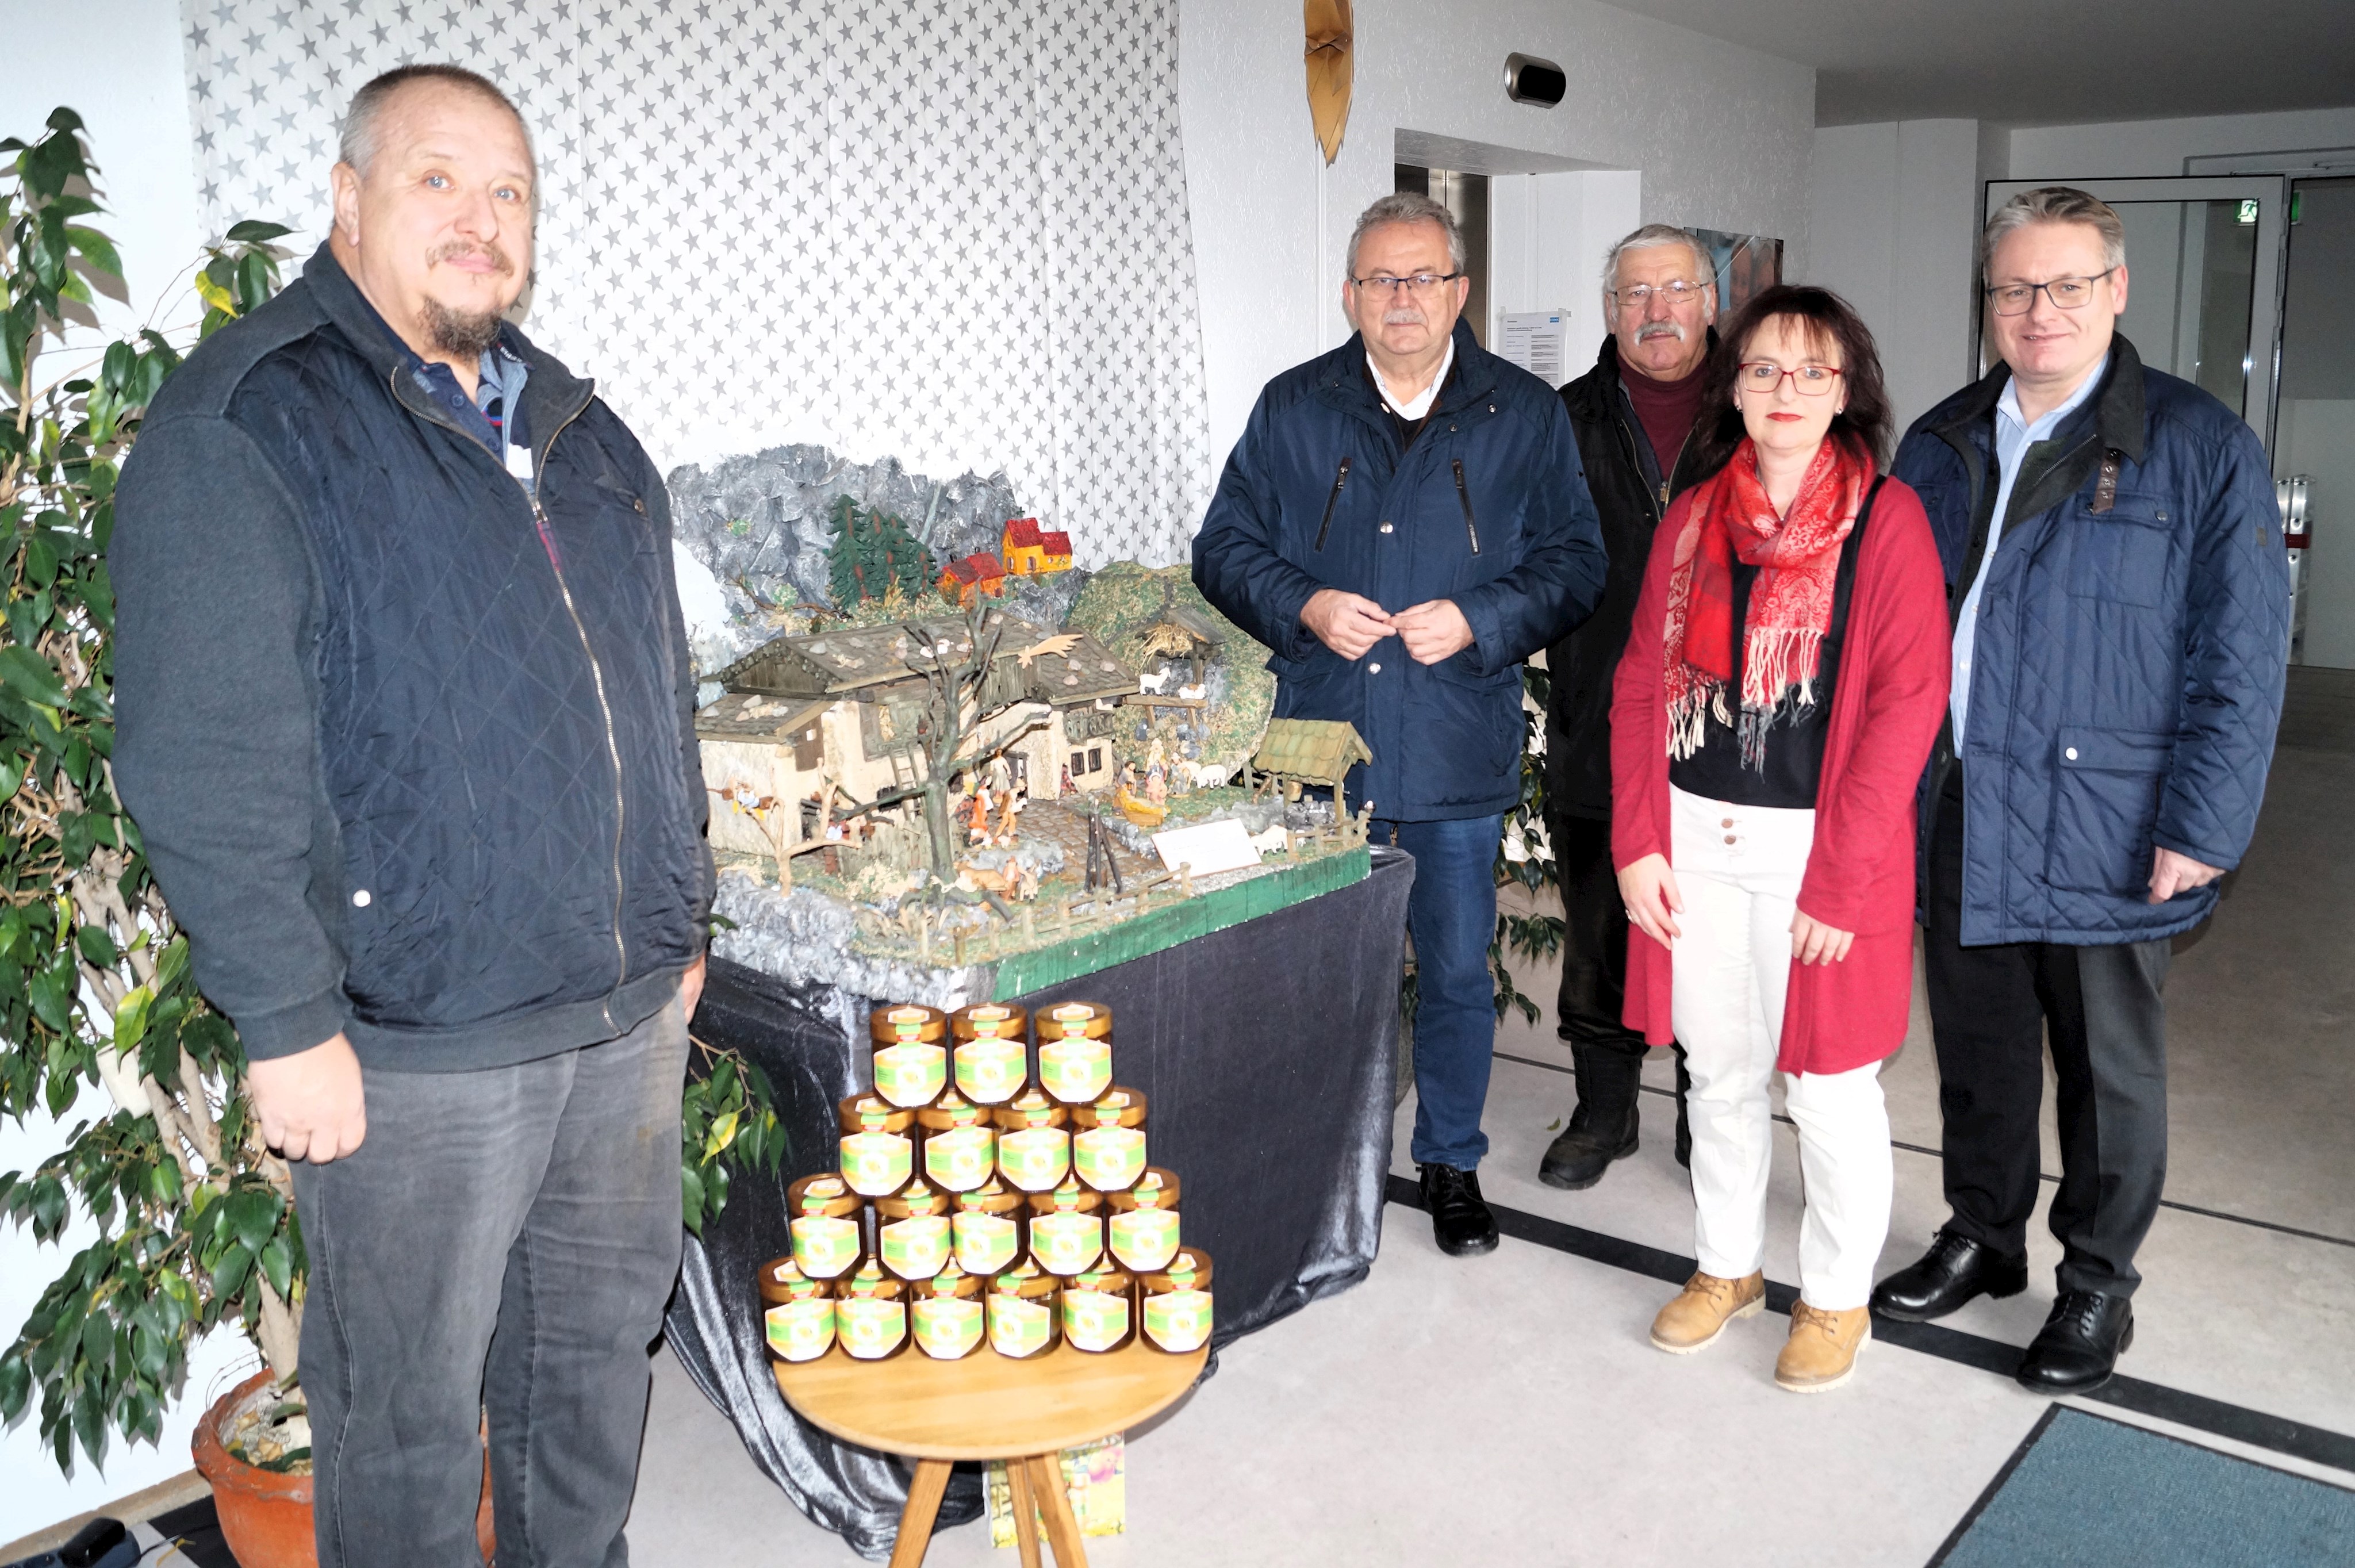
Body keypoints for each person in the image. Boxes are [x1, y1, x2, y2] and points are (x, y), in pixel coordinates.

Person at [112, 65, 712, 1565]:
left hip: (621, 1017)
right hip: (411, 1039)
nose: (481, 217)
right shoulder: (249, 416)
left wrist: (680, 915)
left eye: (508, 192)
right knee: (408, 1420)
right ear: (349, 199)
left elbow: (657, 687)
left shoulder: (584, 434)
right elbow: (202, 751)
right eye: (439, 179)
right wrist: (282, 1015)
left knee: (589, 1370)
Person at [1871, 188, 2289, 1393]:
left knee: (2107, 1073)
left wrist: (2200, 826)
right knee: (1979, 1048)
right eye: (2012, 289)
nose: (2036, 311)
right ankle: (1981, 1233)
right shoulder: (1941, 440)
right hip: (1961, 806)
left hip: (2110, 819)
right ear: (1987, 302)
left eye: (2062, 285)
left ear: (2114, 288)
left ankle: (2097, 1282)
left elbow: (2240, 653)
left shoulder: (2198, 443)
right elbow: (1901, 637)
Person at [1194, 192, 1606, 1256]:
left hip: (1453, 749)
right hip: (1318, 751)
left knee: (1458, 970)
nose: (1404, 298)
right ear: (1350, 295)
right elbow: (1224, 549)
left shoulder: (1524, 413)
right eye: (1382, 279)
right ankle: (1324, 1155)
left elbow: (1576, 564)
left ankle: (1452, 1163)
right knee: (1319, 971)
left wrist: (1480, 617)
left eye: (1425, 277)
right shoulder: (1295, 407)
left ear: (1461, 292)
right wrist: (1304, 605)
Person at [1613, 286, 1950, 1392]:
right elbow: (1636, 685)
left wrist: (1845, 883)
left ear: (1846, 388)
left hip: (1824, 850)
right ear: (1734, 387)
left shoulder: (1888, 518)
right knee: (1717, 1071)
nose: (1785, 391)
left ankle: (1837, 1296)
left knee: (1830, 1086)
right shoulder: (1696, 511)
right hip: (1695, 840)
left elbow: (1907, 707)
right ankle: (1728, 1266)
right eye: (1763, 370)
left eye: (1811, 371)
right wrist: (1636, 843)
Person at [1538, 223, 1720, 1191]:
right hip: (1598, 719)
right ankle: (1605, 1113)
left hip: (1733, 736)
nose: (1656, 313)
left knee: (1712, 933)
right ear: (1610, 311)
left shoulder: (1760, 411)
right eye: (1635, 296)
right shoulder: (1559, 421)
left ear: (1710, 302)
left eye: (1676, 292)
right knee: (1600, 930)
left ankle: (1712, 1113)